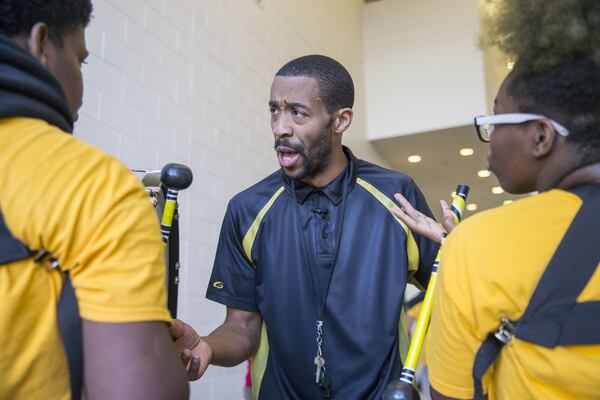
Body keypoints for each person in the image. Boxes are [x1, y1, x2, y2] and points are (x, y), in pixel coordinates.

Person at [169, 54, 439, 399]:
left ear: (340, 120)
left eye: (297, 113)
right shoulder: (247, 209)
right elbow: (242, 327)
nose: (280, 127)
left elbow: (447, 296)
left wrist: (458, 246)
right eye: (274, 110)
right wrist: (207, 346)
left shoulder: (396, 195)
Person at [393, 1, 600, 398]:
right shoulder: (473, 244)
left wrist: (468, 252)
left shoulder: (478, 245)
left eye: (495, 119)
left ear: (541, 136)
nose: (488, 139)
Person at [0, 1, 188, 398]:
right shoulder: (96, 188)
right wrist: (160, 357)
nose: (81, 92)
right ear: (42, 44)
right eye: (80, 61)